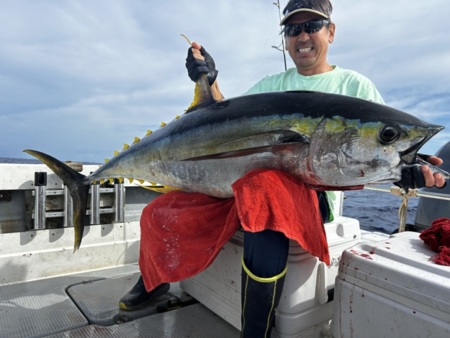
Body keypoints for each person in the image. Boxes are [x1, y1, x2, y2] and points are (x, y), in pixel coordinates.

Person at [119, 1, 445, 336]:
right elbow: (226, 121)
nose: (302, 35)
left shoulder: (355, 87)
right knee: (160, 210)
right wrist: (209, 79)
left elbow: (377, 150)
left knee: (265, 191)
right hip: (241, 189)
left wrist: (403, 170)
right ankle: (154, 281)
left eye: (312, 26)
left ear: (330, 32)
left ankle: (255, 331)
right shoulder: (272, 83)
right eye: (292, 29)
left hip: (308, 198)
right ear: (286, 38)